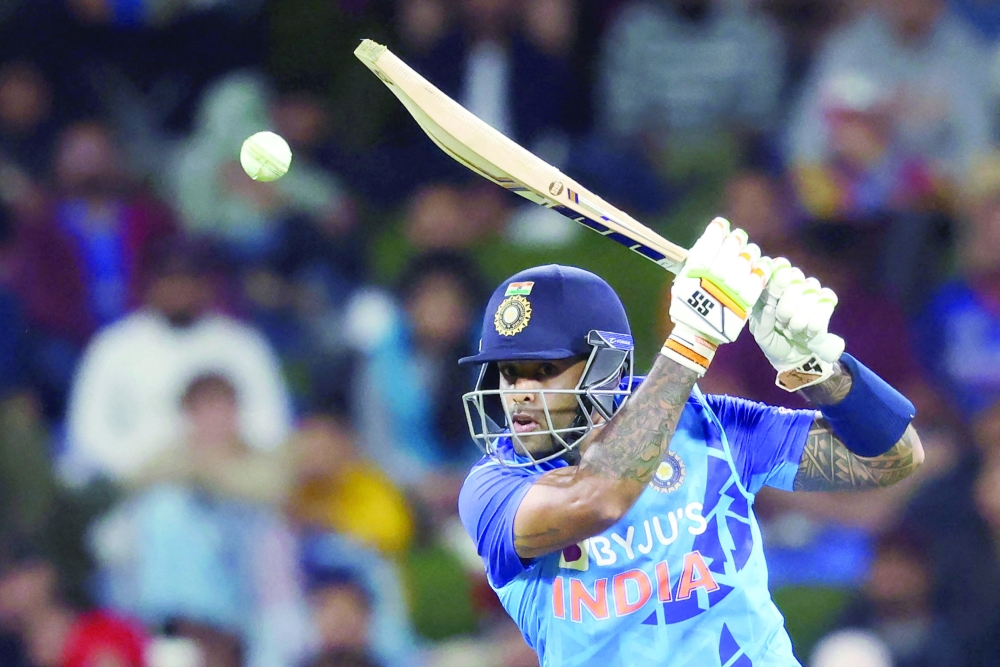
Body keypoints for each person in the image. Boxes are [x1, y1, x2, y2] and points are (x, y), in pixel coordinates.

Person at [458, 218, 924, 664]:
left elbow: (894, 458)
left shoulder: (706, 423)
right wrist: (692, 340)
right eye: (507, 373)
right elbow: (598, 498)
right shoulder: (493, 489)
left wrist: (818, 370)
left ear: (605, 366)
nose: (518, 394)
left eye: (543, 372)